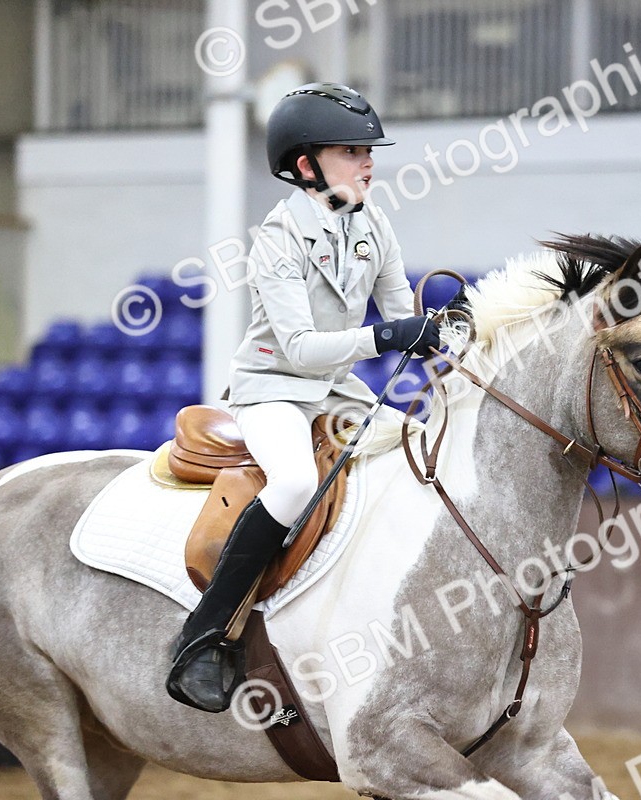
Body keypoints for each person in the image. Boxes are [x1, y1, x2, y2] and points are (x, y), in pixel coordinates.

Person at [167, 82, 440, 713]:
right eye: (352, 151)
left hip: (335, 391)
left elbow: (403, 315)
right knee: (291, 485)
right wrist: (391, 334)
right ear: (306, 164)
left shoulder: (375, 224)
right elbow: (298, 347)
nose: (369, 163)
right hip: (274, 390)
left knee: (418, 454)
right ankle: (205, 635)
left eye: (368, 151)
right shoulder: (277, 237)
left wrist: (440, 328)